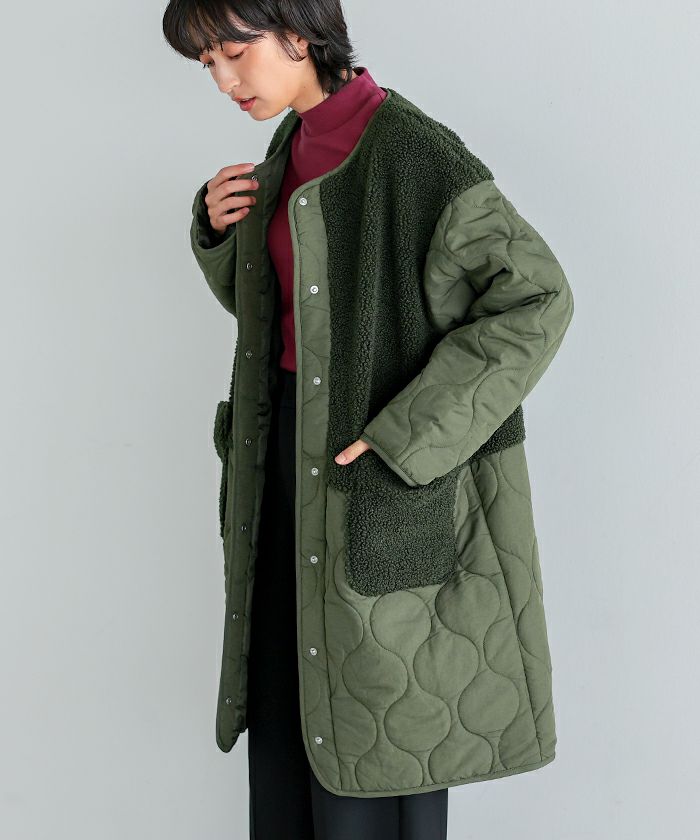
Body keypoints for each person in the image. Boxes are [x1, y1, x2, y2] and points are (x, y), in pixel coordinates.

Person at [163, 2, 574, 839]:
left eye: (233, 51)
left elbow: (537, 300)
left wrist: (408, 437)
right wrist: (218, 231)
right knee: (288, 711)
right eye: (207, 63)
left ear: (298, 30)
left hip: (377, 470)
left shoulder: (416, 155)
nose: (224, 79)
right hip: (284, 464)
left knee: (380, 742)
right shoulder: (289, 147)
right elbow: (293, 317)